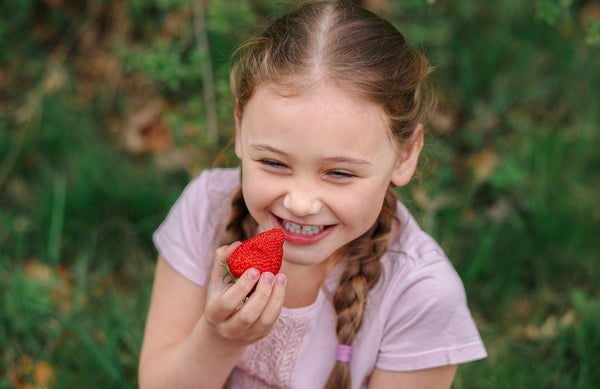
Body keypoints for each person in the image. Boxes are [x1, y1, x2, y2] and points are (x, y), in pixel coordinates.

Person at [138, 1, 487, 388]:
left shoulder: (421, 294)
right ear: (239, 128)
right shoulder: (206, 208)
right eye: (273, 163)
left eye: (339, 172)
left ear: (405, 156)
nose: (300, 203)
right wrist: (220, 338)